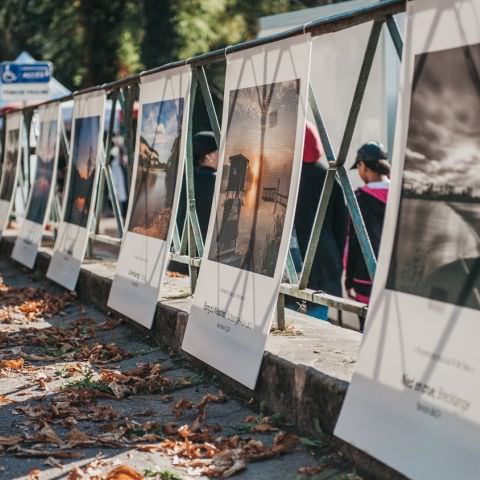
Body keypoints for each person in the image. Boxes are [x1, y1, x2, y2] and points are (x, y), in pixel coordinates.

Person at [294, 121, 347, 318]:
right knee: (317, 317)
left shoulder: (285, 175)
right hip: (323, 258)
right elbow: (341, 224)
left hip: (292, 259)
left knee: (290, 313)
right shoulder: (328, 175)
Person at [345, 141, 390, 331]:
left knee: (368, 332)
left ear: (363, 165)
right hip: (394, 280)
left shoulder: (360, 200)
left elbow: (354, 242)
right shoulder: (401, 195)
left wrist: (348, 280)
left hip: (366, 279)